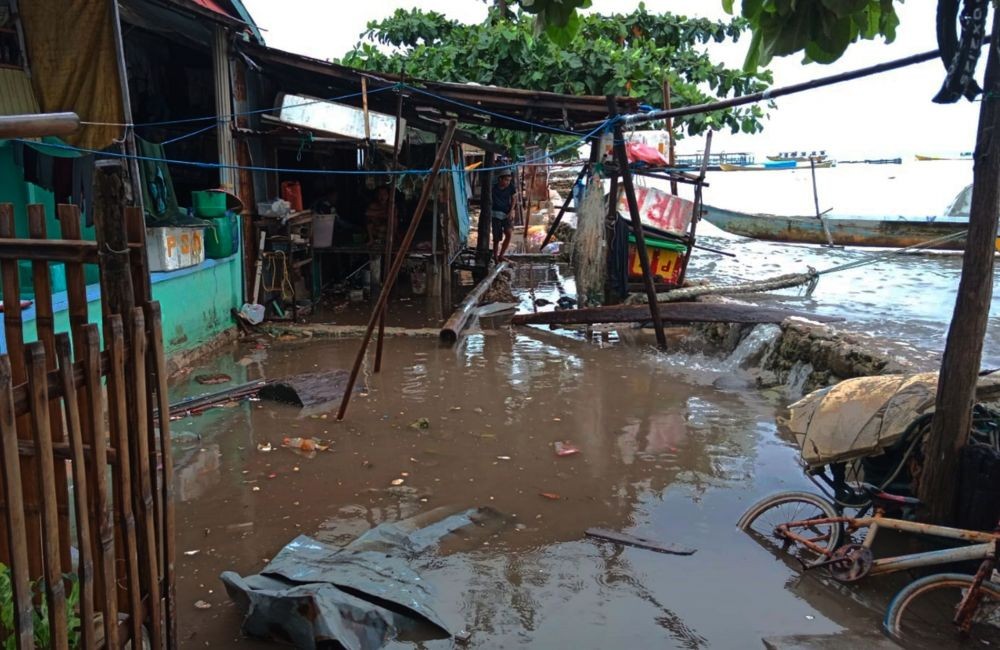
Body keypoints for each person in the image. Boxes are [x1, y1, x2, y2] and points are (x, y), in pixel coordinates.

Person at [491, 170, 517, 263]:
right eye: (506, 180)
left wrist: (511, 211)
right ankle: (495, 257)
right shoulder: (493, 188)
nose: (507, 182)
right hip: (495, 214)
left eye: (509, 180)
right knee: (496, 238)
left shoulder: (510, 187)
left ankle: (501, 255)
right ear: (500, 179)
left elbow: (514, 197)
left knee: (509, 233)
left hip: (506, 213)